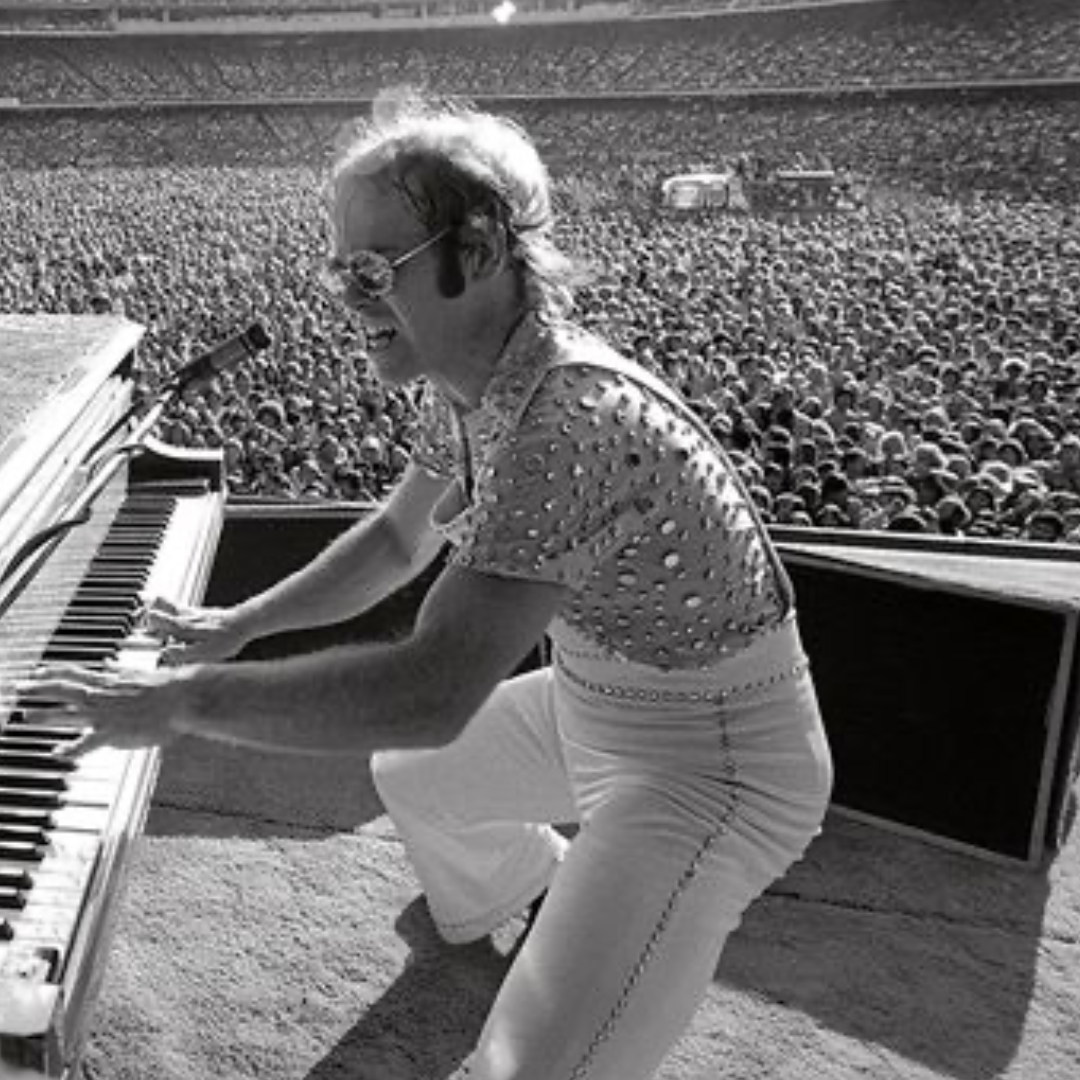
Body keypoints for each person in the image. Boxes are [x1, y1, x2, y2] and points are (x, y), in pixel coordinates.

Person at [20, 98, 833, 1080]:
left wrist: (182, 703)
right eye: (337, 270)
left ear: (479, 250)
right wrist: (239, 624)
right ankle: (549, 893)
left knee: (524, 1069)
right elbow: (398, 539)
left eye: (370, 272)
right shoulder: (476, 380)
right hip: (596, 705)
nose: (346, 299)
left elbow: (430, 692)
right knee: (415, 776)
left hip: (710, 764)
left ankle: (597, 943)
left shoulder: (567, 420)